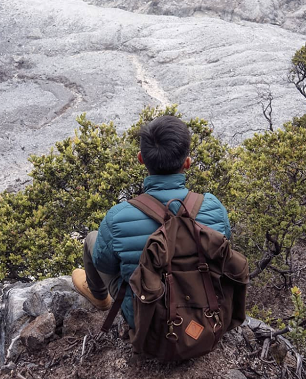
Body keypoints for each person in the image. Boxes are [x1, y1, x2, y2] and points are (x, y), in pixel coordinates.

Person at [71, 115, 231, 329]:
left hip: (147, 322)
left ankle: (99, 297)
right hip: (204, 314)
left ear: (141, 159)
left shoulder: (118, 216)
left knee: (93, 239)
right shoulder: (213, 207)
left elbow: (104, 264)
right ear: (187, 163)